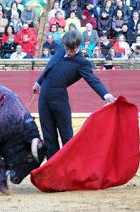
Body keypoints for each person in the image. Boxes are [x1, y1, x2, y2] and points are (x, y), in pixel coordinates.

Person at [32, 30, 116, 159]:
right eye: (67, 48)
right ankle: (53, 166)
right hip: (44, 97)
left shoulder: (82, 62)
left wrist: (106, 95)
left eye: (72, 49)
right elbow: (49, 66)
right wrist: (38, 82)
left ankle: (69, 164)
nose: (69, 52)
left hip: (60, 99)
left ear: (79, 46)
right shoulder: (61, 49)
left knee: (66, 134)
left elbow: (93, 80)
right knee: (48, 134)